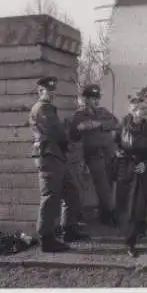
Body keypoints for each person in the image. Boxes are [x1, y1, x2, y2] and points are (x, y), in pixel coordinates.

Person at [29, 76, 89, 253]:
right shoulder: (42, 108)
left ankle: (69, 230)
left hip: (57, 157)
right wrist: (70, 139)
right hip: (49, 157)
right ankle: (46, 239)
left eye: (53, 91)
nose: (52, 94)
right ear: (40, 92)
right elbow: (56, 132)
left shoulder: (48, 108)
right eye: (49, 91)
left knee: (71, 193)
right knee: (50, 197)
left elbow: (58, 131)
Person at [114, 97, 147, 257]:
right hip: (124, 169)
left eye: (145, 108)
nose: (145, 111)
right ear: (133, 111)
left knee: (136, 207)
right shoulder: (121, 126)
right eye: (141, 108)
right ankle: (136, 229)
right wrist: (116, 152)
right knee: (125, 206)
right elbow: (114, 144)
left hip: (141, 171)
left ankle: (131, 243)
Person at [69, 84, 119, 226]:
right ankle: (109, 215)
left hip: (108, 154)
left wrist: (98, 124)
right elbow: (73, 134)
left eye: (97, 98)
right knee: (103, 186)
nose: (96, 101)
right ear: (86, 99)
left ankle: (105, 214)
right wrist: (81, 128)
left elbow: (115, 122)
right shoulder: (80, 115)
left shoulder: (103, 111)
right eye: (93, 98)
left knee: (108, 185)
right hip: (93, 155)